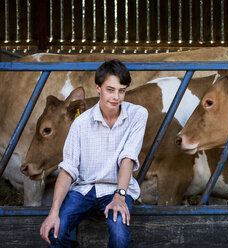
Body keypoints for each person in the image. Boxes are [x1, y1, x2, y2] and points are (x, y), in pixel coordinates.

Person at [40, 59, 148, 248]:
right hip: (85, 189)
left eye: (121, 91)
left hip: (117, 188)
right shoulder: (81, 123)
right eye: (110, 90)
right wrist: (53, 213)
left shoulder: (138, 115)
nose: (116, 97)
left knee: (120, 238)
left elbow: (128, 158)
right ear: (97, 88)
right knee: (54, 233)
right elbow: (68, 169)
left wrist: (119, 196)